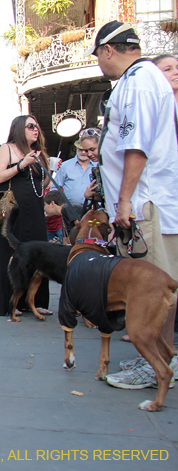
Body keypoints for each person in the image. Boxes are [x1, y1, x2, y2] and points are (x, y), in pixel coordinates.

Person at [83, 24, 178, 389]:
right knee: (157, 288)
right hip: (148, 201)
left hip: (145, 204)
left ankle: (153, 364)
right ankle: (159, 360)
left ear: (108, 50)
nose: (99, 64)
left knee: (152, 289)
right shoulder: (142, 79)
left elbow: (135, 147)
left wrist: (124, 201)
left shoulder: (138, 81)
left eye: (98, 56)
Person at [0, 116, 52, 318]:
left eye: (37, 127)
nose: (36, 130)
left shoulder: (38, 153)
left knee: (39, 253)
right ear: (19, 128)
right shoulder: (6, 149)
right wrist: (21, 164)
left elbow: (40, 186)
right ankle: (11, 302)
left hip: (34, 210)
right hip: (13, 210)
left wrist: (50, 169)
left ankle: (36, 301)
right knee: (12, 254)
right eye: (31, 126)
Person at [52, 132, 97, 208]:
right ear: (76, 149)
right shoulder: (65, 166)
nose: (83, 152)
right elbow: (54, 188)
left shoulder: (97, 165)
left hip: (94, 208)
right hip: (71, 209)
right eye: (80, 149)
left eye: (85, 150)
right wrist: (61, 207)